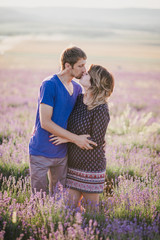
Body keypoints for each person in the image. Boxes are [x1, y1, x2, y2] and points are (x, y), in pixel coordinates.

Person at [29, 46, 97, 194]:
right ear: (67, 65)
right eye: (80, 65)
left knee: (59, 198)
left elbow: (76, 120)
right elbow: (45, 122)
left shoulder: (77, 89)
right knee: (37, 199)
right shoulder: (49, 84)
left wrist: (70, 140)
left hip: (62, 153)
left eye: (84, 65)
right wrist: (75, 139)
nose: (84, 70)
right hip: (41, 151)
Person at [50, 64, 114, 210]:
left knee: (92, 211)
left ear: (95, 82)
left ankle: (98, 233)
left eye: (88, 74)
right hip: (72, 166)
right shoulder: (78, 99)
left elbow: (95, 142)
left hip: (91, 168)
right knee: (69, 210)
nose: (84, 73)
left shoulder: (101, 108)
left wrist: (67, 138)